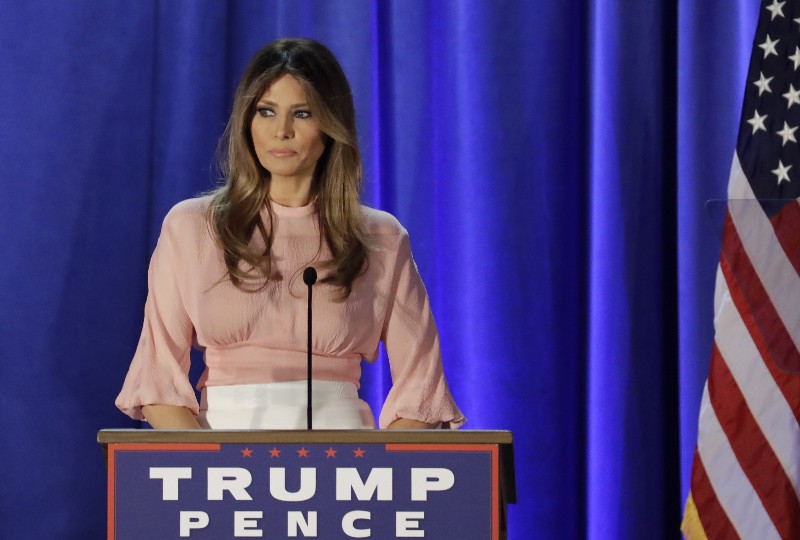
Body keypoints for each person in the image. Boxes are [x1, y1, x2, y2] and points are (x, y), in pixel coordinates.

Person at [115, 38, 465, 430]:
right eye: (266, 112)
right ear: (247, 121)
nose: (281, 131)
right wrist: (207, 470)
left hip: (345, 463)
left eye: (301, 113)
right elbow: (158, 381)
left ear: (331, 126)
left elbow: (421, 392)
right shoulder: (191, 227)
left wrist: (376, 475)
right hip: (215, 461)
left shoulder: (381, 238)